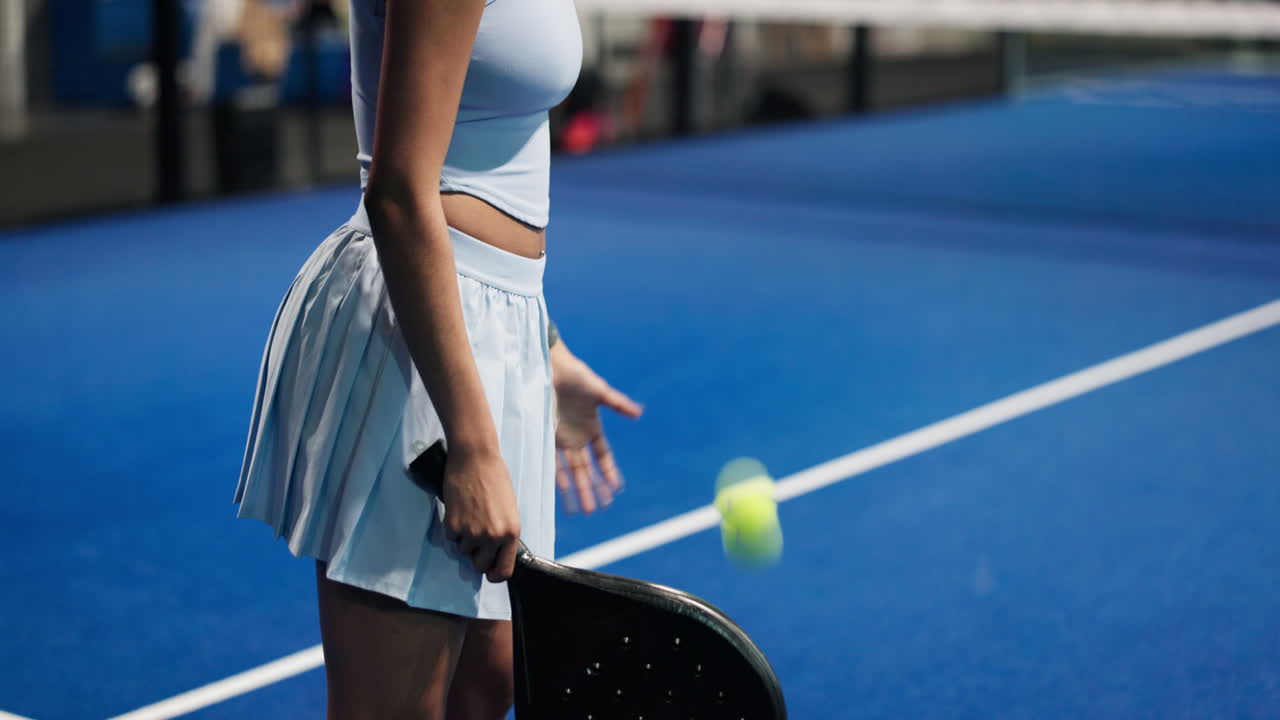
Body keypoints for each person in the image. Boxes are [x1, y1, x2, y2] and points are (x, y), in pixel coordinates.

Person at [233, 0, 642, 717]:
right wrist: (474, 446)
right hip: (413, 339)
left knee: (483, 690)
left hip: (497, 326)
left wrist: (545, 349)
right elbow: (396, 193)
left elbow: (497, 142)